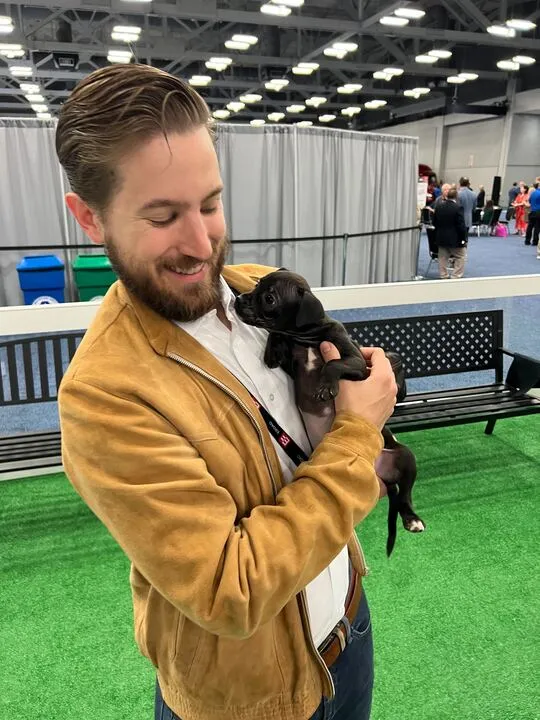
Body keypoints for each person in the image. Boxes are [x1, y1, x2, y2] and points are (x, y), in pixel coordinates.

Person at [55, 64, 398, 720]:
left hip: (345, 634)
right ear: (88, 219)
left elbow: (331, 411)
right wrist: (359, 435)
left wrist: (355, 391)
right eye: (162, 216)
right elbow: (230, 590)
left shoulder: (258, 287)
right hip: (245, 702)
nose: (200, 243)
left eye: (210, 204)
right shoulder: (105, 396)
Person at [433, 187, 468, 279]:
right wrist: (464, 239)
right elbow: (461, 225)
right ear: (456, 197)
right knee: (461, 256)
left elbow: (434, 222)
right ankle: (456, 275)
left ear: (447, 196)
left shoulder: (439, 206)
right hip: (455, 239)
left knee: (442, 257)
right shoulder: (458, 208)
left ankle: (443, 275)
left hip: (441, 237)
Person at [525, 182, 540, 247]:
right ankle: (535, 241)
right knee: (537, 228)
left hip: (532, 211)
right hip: (538, 212)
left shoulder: (533, 193)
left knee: (530, 227)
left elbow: (530, 201)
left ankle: (527, 241)